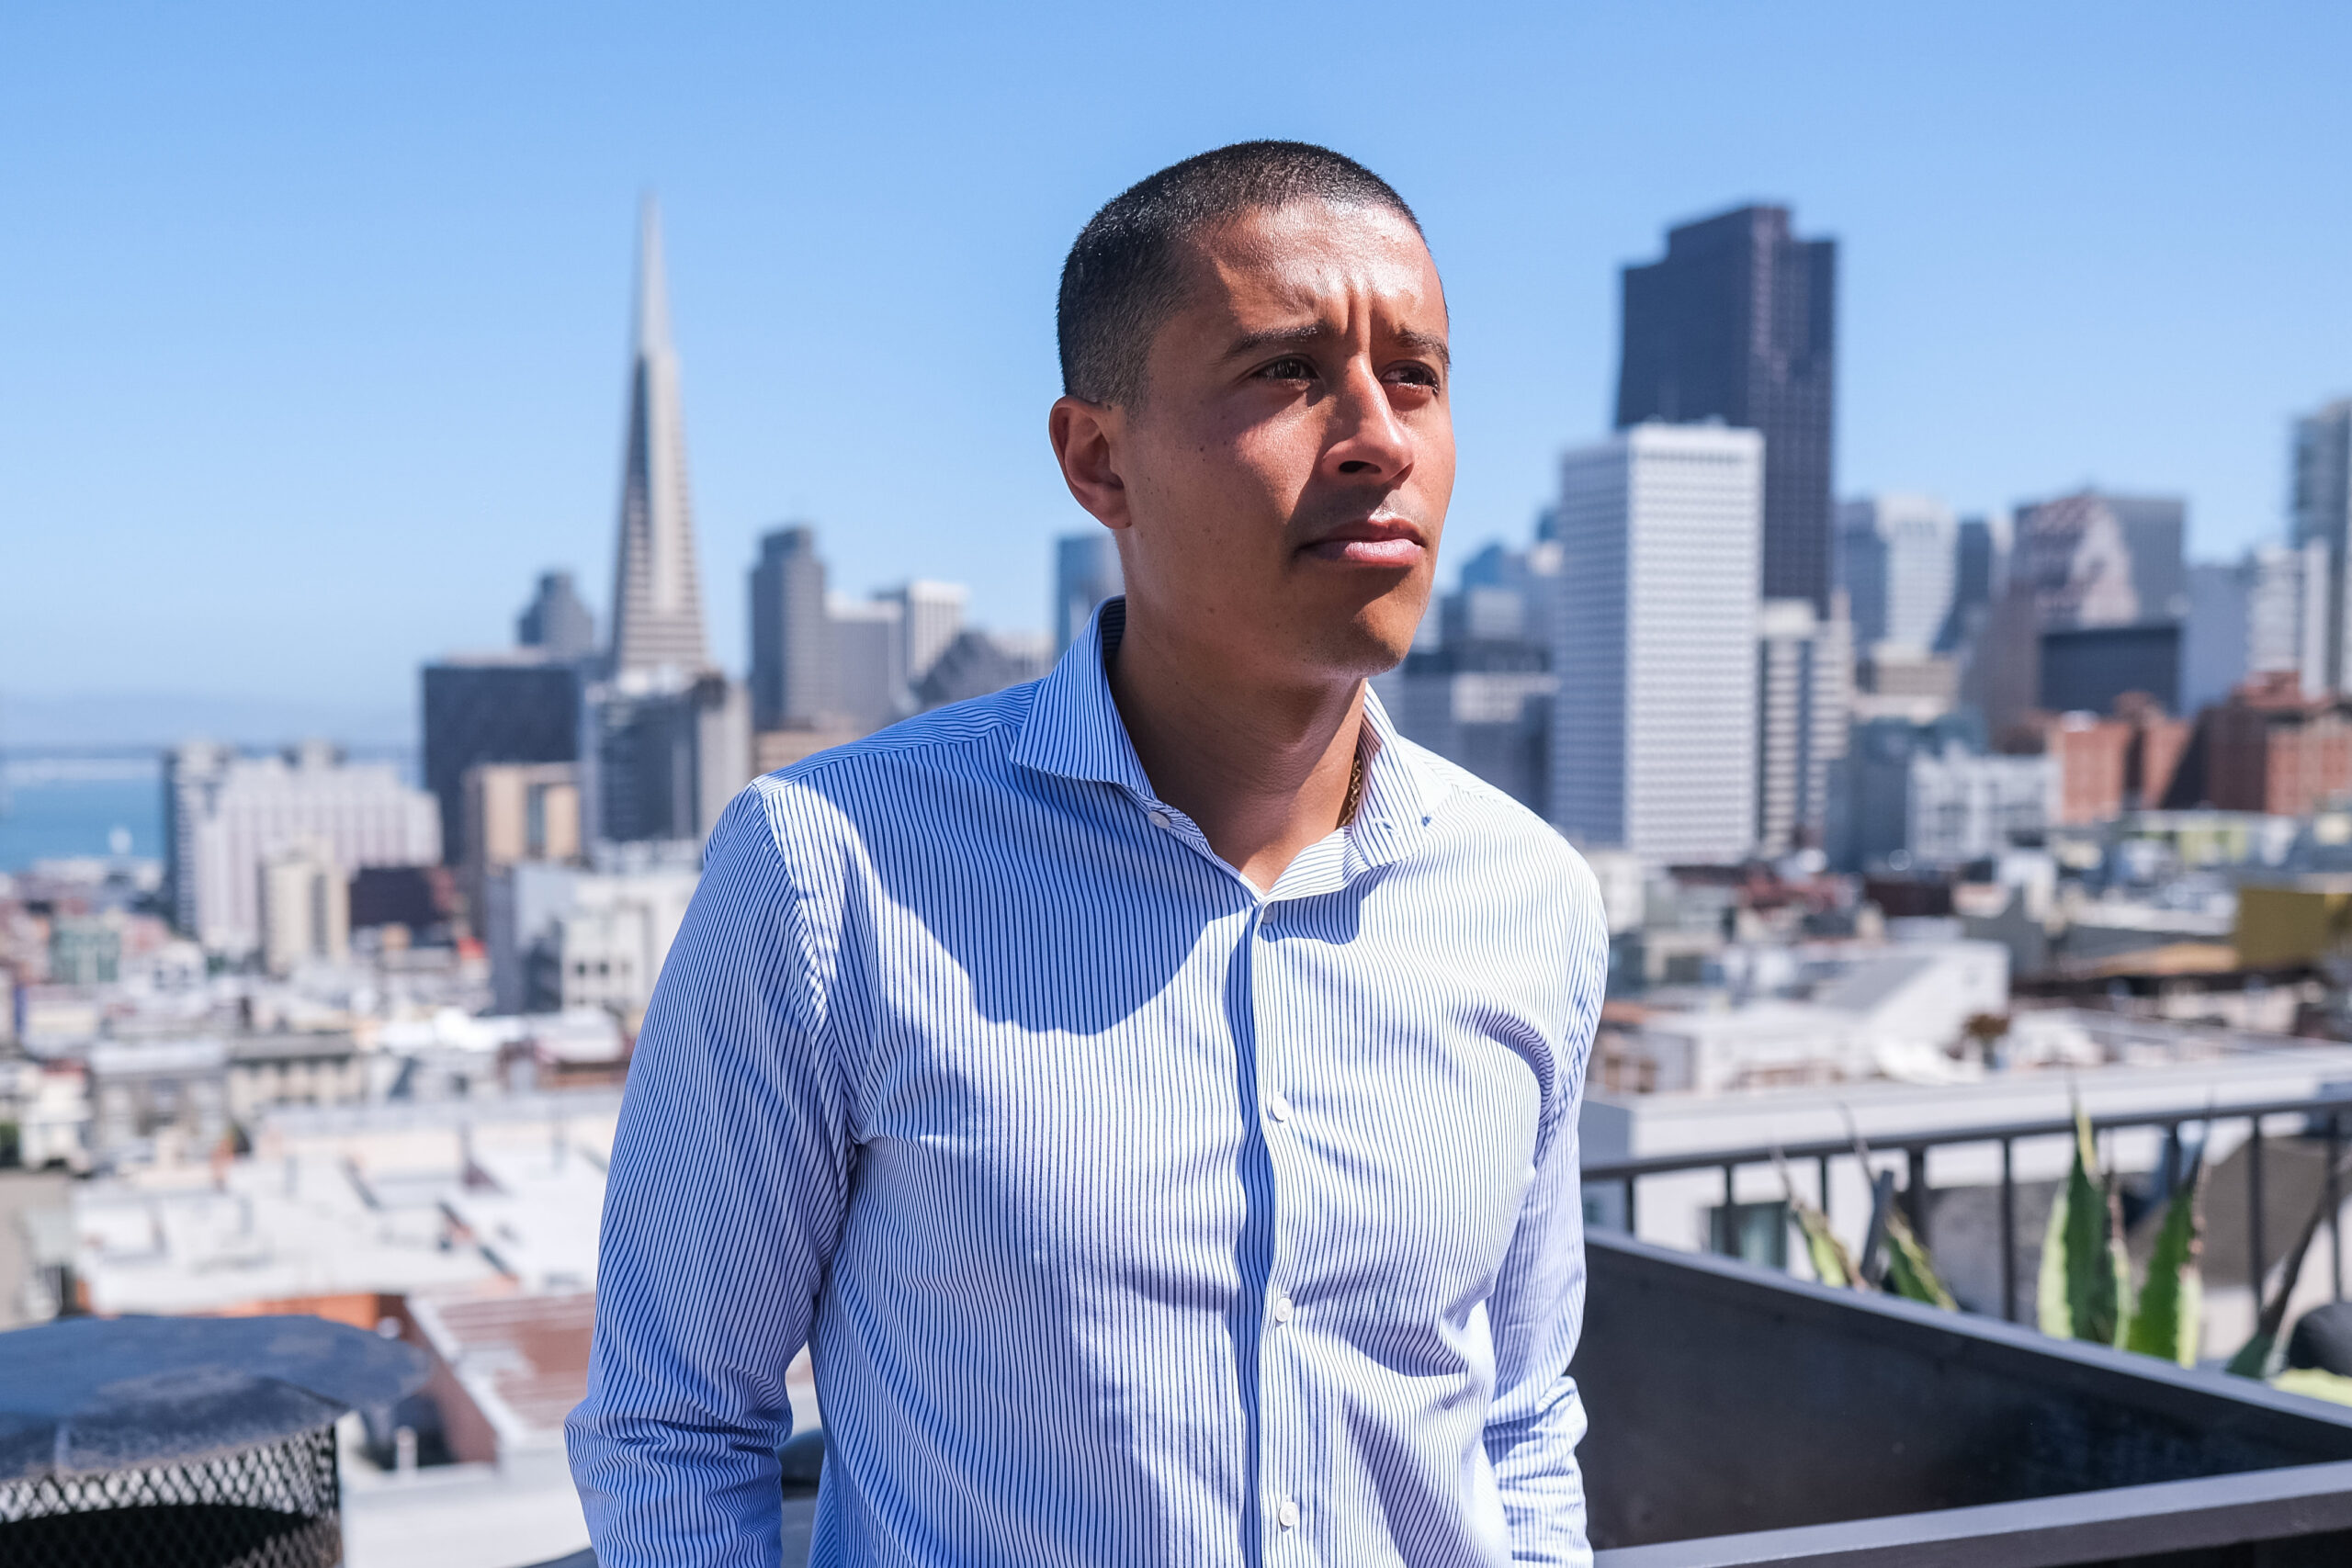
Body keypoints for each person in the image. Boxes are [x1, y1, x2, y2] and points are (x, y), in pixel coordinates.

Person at [566, 139, 1610, 1567]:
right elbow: (673, 1430)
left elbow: (1516, 1422)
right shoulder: (833, 874)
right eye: (1288, 372)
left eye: (1416, 376)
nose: (1381, 437)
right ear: (1097, 460)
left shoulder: (1529, 901)